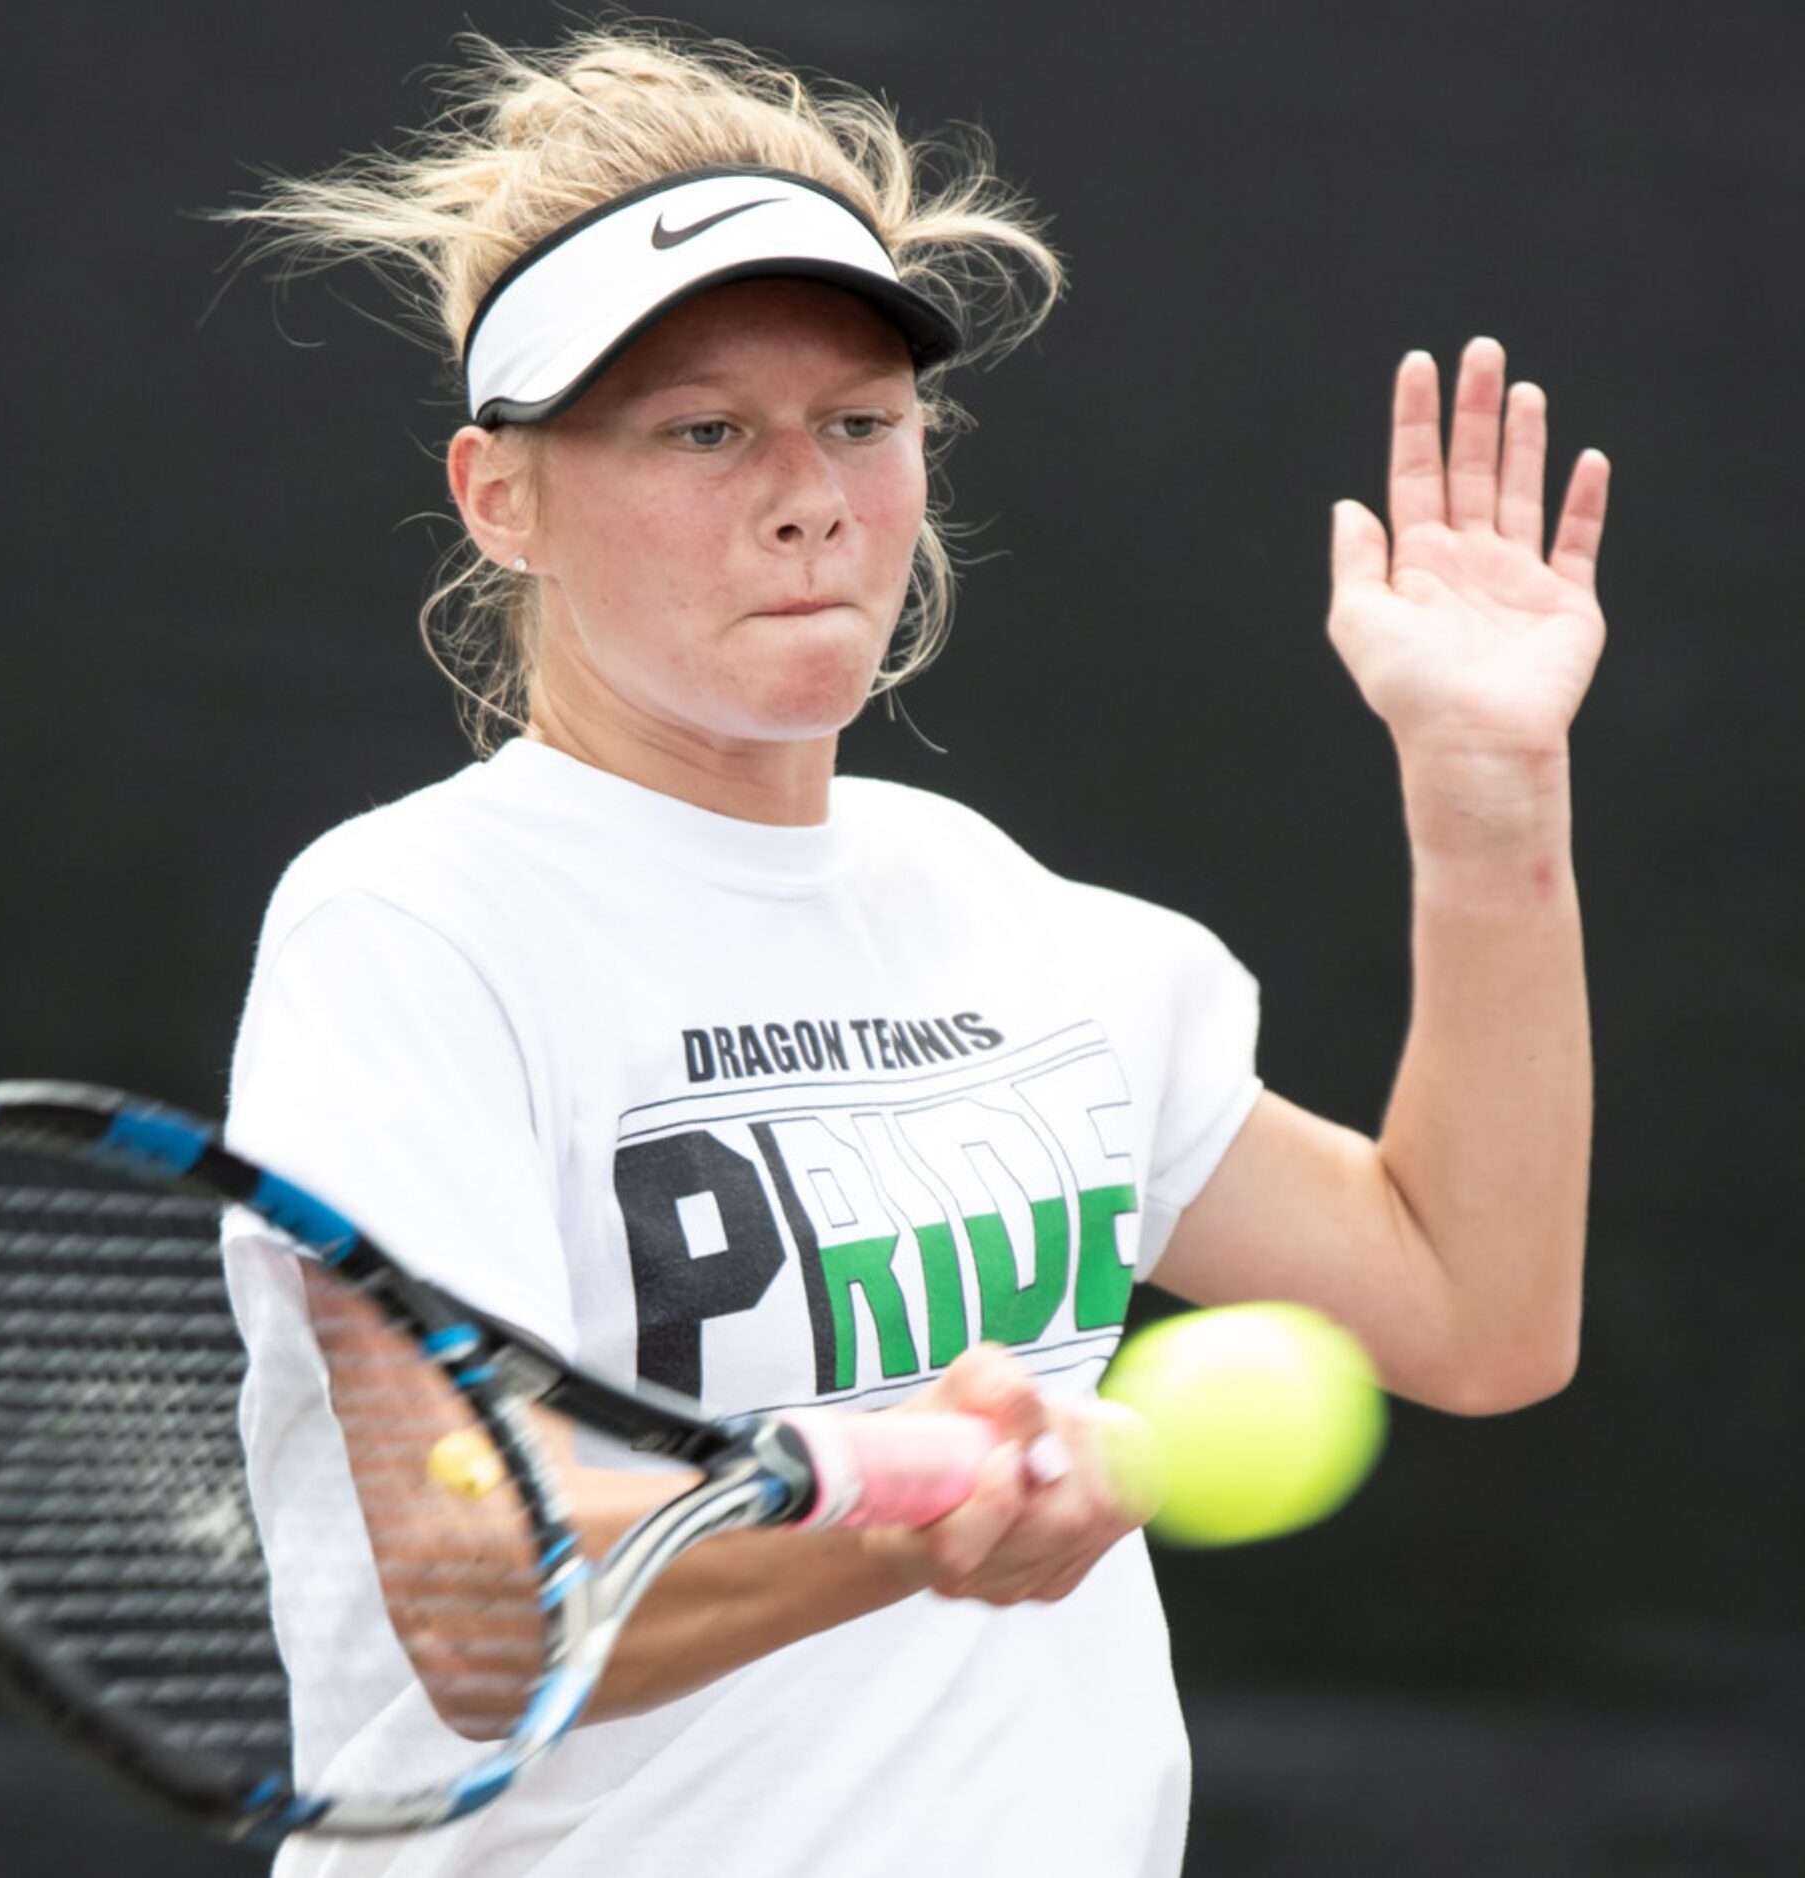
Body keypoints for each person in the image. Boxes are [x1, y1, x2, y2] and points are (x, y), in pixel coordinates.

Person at [217, 24, 1610, 1877]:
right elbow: (485, 1600)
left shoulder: (1025, 925)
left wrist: (1493, 788)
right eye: (705, 430)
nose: (807, 493)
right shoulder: (411, 930)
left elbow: (1476, 1314)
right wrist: (908, 1516)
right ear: (502, 495)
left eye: (860, 423)